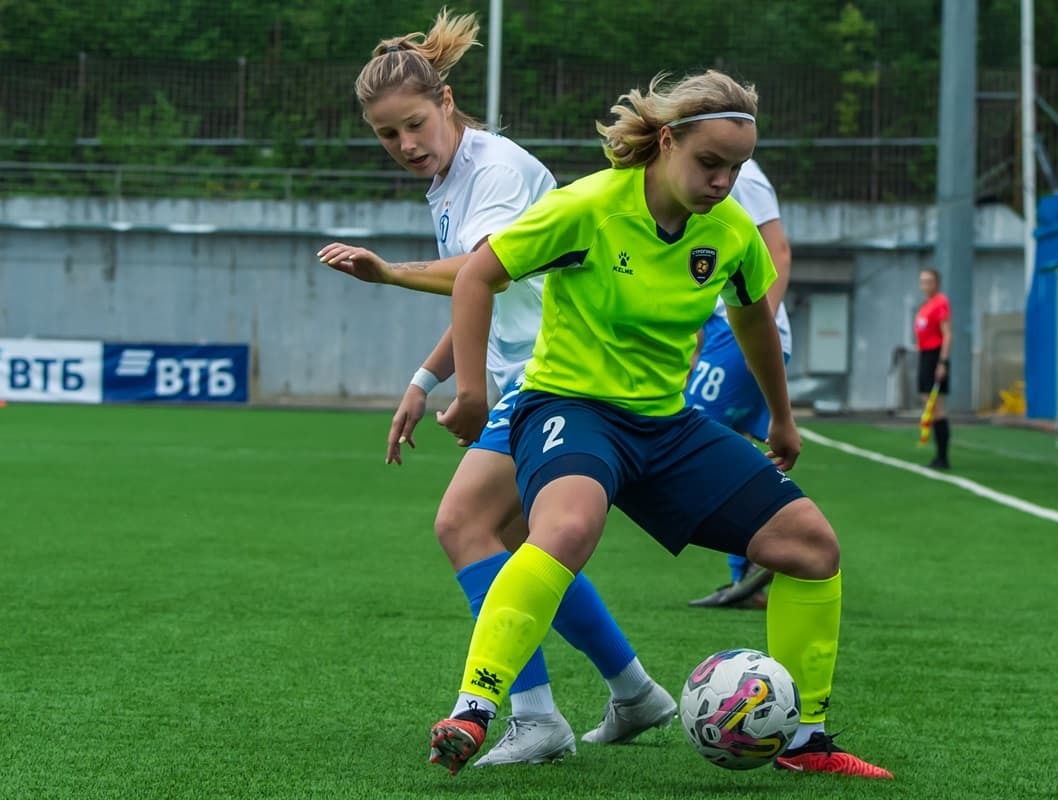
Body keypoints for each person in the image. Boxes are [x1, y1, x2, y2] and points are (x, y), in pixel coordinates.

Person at [433, 69, 892, 780]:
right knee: (567, 529)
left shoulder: (731, 231)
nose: (722, 182)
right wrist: (468, 391)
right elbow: (475, 277)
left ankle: (804, 743)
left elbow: (753, 320)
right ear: (667, 141)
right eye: (710, 163)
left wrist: (781, 415)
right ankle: (476, 706)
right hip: (568, 407)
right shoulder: (586, 206)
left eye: (736, 169)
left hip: (666, 426)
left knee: (811, 546)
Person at [316, 9, 674, 768]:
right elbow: (484, 293)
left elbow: (480, 271)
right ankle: (635, 692)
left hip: (562, 376)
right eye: (388, 136)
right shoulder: (453, 177)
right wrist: (425, 378)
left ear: (446, 102)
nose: (406, 146)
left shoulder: (496, 172)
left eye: (414, 124)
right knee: (518, 543)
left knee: (462, 526)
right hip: (544, 373)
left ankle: (536, 717)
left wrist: (391, 275)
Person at [685, 158, 792, 610]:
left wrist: (755, 333)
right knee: (723, 443)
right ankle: (750, 574)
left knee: (691, 436)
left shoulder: (739, 176)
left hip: (742, 331)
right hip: (720, 332)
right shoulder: (687, 178)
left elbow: (779, 251)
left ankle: (780, 537)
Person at [914, 267, 952, 469]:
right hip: (925, 354)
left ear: (936, 283)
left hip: (935, 355)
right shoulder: (925, 305)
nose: (925, 285)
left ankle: (942, 456)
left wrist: (942, 362)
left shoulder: (940, 302)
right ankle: (938, 455)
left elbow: (947, 334)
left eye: (929, 281)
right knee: (928, 402)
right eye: (923, 281)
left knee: (936, 407)